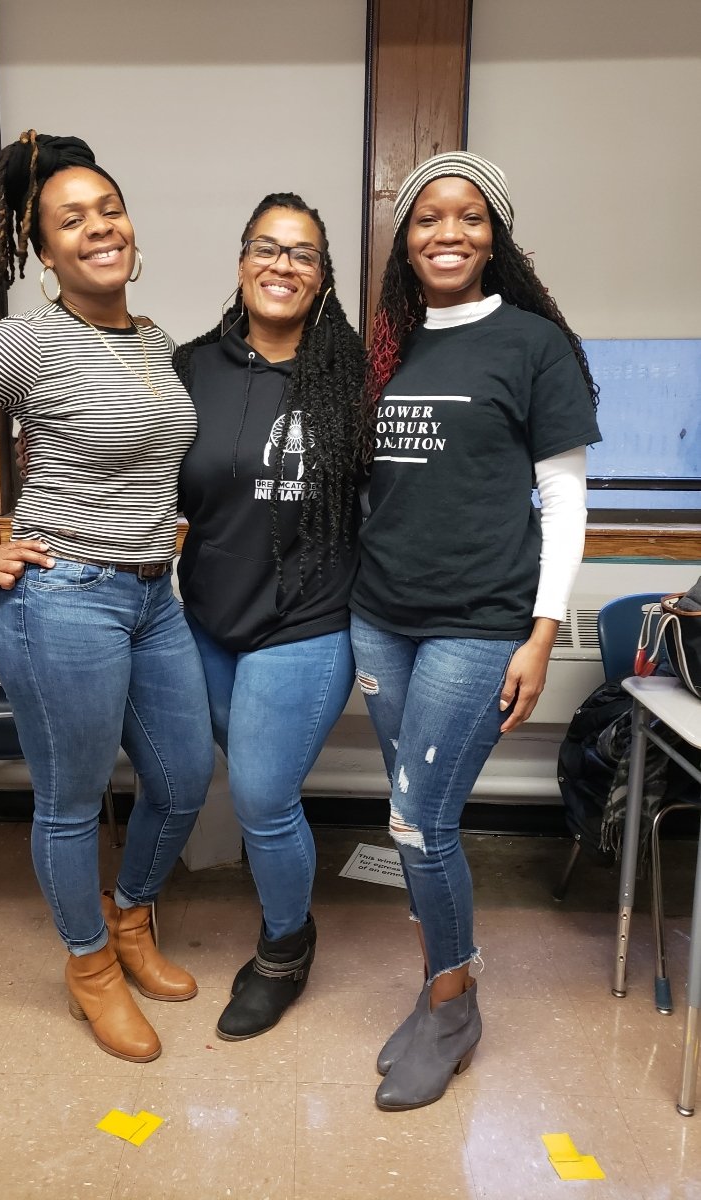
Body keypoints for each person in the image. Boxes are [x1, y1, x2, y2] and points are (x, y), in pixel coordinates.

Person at [0, 129, 214, 1065]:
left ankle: (133, 919)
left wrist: (172, 524)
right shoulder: (23, 340)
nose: (99, 229)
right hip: (63, 600)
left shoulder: (155, 340)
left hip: (155, 595)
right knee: (71, 802)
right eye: (73, 219)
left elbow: (155, 458)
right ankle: (90, 965)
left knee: (184, 775)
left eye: (109, 209)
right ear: (43, 247)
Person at [350, 151, 601, 1110]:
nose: (447, 234)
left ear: (495, 237)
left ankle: (453, 1002)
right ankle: (439, 986)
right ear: (405, 240)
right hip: (380, 620)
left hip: (478, 621)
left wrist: (541, 633)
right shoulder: (386, 346)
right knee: (414, 821)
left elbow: (565, 503)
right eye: (426, 219)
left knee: (420, 819)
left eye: (469, 218)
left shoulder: (534, 343)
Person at [173, 193, 366, 1039]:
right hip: (207, 618)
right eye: (268, 246)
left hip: (308, 621)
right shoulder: (186, 368)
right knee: (237, 773)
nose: (283, 265)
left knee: (259, 792)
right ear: (242, 260)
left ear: (323, 279)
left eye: (305, 254)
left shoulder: (357, 378)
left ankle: (286, 946)